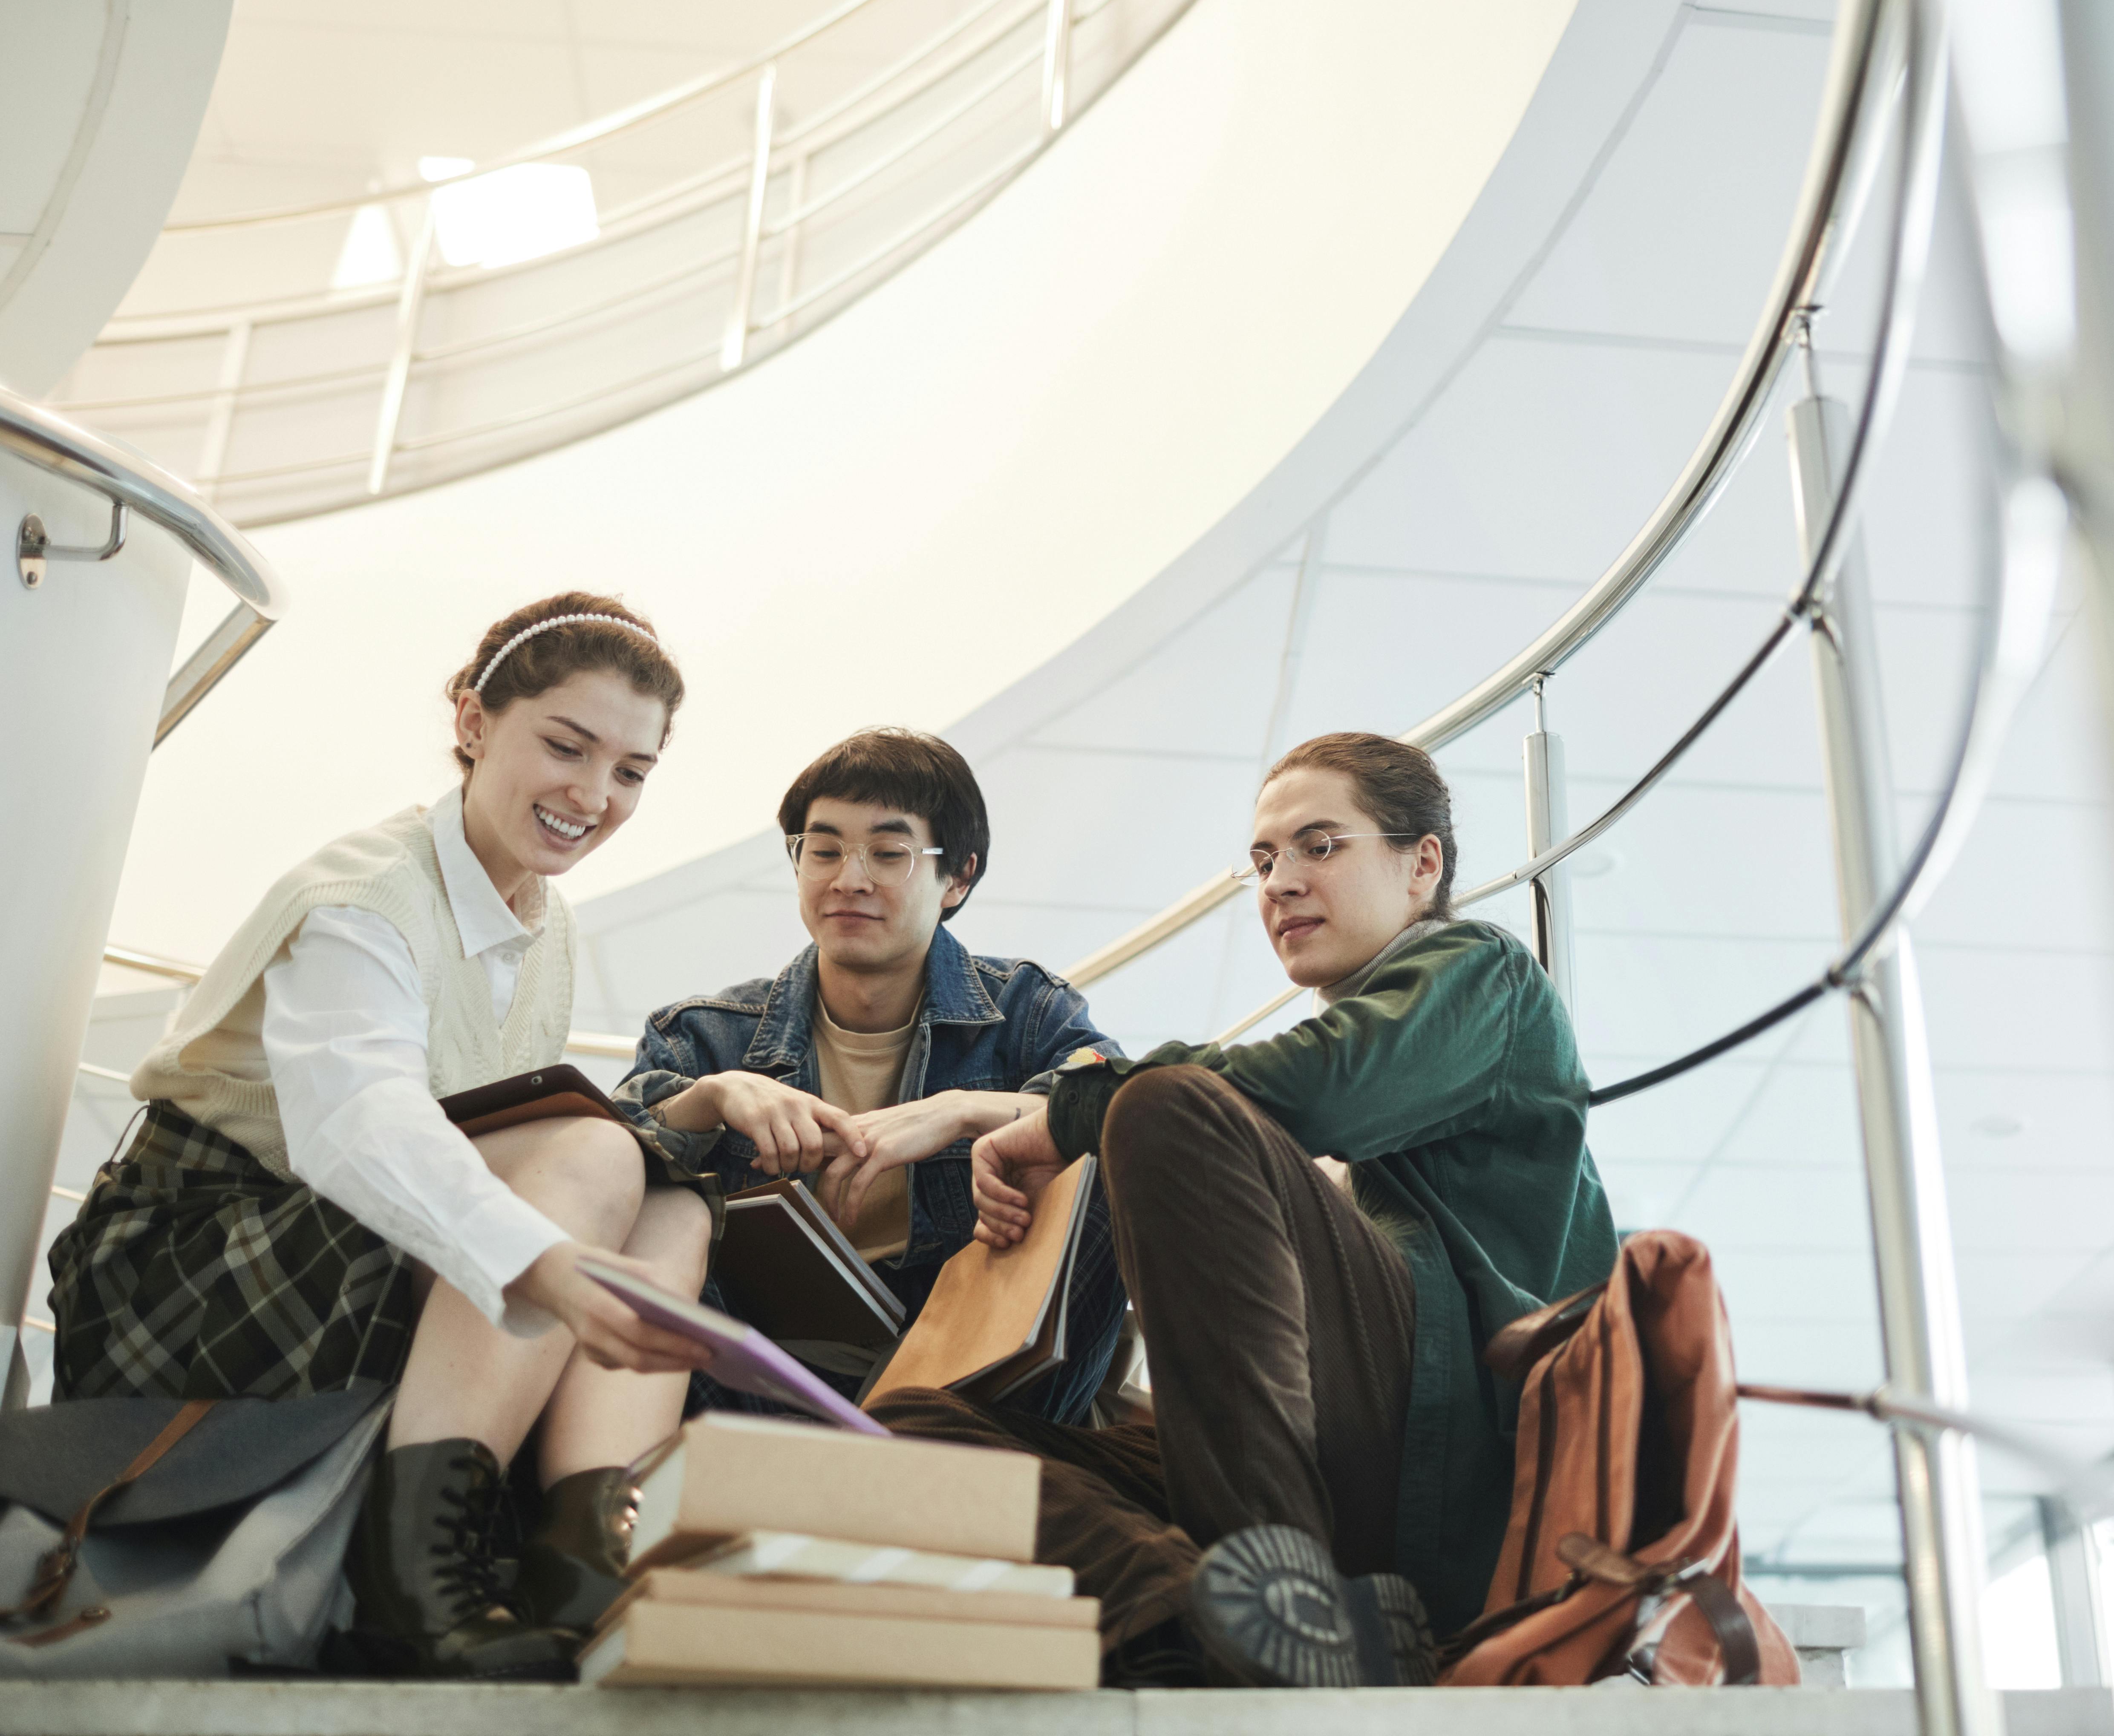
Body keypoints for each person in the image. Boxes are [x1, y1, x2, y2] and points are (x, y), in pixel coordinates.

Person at [45, 592, 713, 1680]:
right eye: (566, 744)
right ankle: (417, 1577)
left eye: (631, 772)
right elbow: (363, 1128)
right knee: (595, 1158)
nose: (594, 796)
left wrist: (694, 1111)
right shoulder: (363, 900)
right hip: (187, 1261)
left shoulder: (543, 919)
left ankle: (587, 1558)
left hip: (331, 1246)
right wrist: (544, 1263)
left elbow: (499, 1129)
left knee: (674, 1196)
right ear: (472, 720)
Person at [865, 731, 1619, 1689]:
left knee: (1166, 1102)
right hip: (1336, 1483)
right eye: (1263, 860)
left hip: (1453, 1450)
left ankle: (1277, 1598)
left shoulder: (1484, 975)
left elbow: (1314, 1089)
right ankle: (1236, 1612)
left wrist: (1074, 1111)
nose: (1279, 882)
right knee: (905, 1434)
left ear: (1421, 862)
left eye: (1319, 845)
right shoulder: (1376, 1086)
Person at [614, 727, 1125, 1423]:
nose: (848, 879)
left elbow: (1127, 1107)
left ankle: (908, 1469)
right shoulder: (705, 1035)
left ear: (959, 877)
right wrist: (711, 1099)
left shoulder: (1027, 1012)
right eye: (822, 850)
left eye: (889, 853)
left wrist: (963, 1110)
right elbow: (594, 1167)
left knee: (1111, 1169)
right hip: (762, 1381)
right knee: (644, 1206)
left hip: (972, 1380)